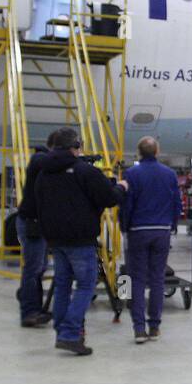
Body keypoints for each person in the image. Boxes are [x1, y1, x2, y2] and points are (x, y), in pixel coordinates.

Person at [30, 127, 126, 356]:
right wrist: (120, 187)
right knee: (85, 285)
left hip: (56, 240)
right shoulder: (85, 171)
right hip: (81, 240)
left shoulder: (44, 172)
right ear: (75, 147)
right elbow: (109, 198)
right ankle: (70, 334)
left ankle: (61, 330)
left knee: (62, 285)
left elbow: (39, 204)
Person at [120, 136, 182, 344]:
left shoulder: (132, 174)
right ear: (157, 152)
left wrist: (124, 226)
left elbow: (127, 204)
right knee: (157, 279)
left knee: (137, 279)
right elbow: (176, 203)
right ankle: (154, 326)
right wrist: (171, 225)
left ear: (139, 153)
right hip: (161, 230)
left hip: (138, 230)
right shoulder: (170, 174)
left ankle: (139, 329)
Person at [15, 135, 57, 328]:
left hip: (39, 223)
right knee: (33, 269)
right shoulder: (39, 158)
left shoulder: (46, 162)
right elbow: (48, 162)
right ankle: (29, 312)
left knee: (39, 268)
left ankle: (33, 305)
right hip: (31, 223)